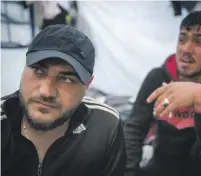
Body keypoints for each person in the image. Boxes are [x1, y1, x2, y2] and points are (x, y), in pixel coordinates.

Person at [1, 24, 125, 176]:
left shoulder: (104, 127)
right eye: (38, 71)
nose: (46, 91)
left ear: (87, 85)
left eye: (66, 79)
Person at [124, 11, 201, 176]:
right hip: (161, 167)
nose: (186, 49)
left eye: (199, 42)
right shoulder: (159, 77)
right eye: (182, 39)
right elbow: (134, 129)